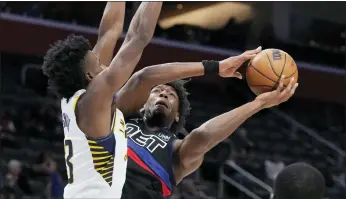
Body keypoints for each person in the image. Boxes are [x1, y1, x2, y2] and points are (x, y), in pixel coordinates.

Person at [112, 47, 298, 198]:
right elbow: (142, 77)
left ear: (177, 115)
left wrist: (259, 103)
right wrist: (215, 67)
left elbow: (203, 136)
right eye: (158, 90)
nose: (163, 94)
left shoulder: (176, 151)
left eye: (171, 96)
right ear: (143, 103)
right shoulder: (119, 118)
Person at [42, 2, 162, 198]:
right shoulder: (94, 98)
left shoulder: (78, 91)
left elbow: (110, 31)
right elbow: (139, 36)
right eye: (98, 63)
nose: (105, 65)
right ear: (89, 75)